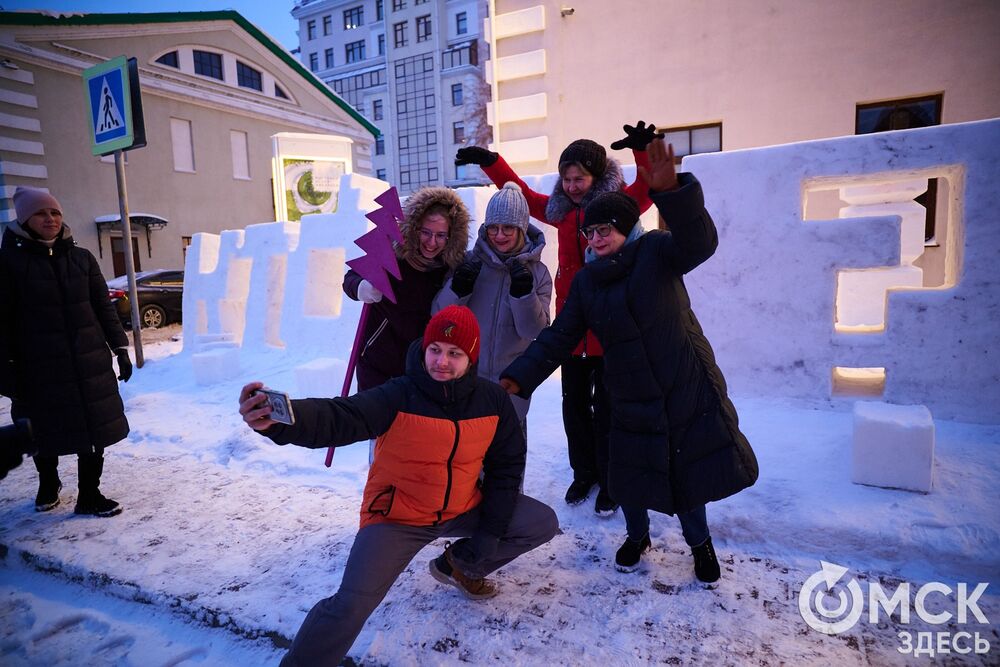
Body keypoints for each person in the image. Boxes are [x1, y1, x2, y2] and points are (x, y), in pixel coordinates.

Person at [239, 305, 559, 665]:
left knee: (541, 522)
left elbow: (506, 468)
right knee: (350, 605)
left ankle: (460, 566)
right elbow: (341, 416)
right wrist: (280, 420)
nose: (441, 361)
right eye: (434, 349)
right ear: (423, 349)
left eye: (454, 353)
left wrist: (487, 537)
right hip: (398, 516)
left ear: (471, 357)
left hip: (463, 507)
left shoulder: (492, 401)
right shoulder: (398, 394)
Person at [499, 139, 759, 582]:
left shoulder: (657, 252)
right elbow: (560, 336)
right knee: (630, 472)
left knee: (685, 470)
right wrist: (518, 378)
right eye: (591, 233)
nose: (597, 239)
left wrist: (673, 192)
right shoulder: (587, 284)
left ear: (626, 228)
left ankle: (700, 543)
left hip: (681, 382)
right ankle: (637, 535)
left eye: (606, 231)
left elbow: (700, 242)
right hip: (627, 389)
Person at [456, 121, 660, 517]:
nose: (572, 186)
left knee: (610, 410)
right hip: (571, 330)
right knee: (575, 408)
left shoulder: (614, 210)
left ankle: (611, 479)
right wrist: (492, 163)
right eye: (566, 178)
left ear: (597, 177)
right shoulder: (564, 214)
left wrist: (643, 152)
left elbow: (647, 189)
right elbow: (525, 200)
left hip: (610, 330)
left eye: (579, 178)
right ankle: (583, 473)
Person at [0, 186, 132, 517]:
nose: (51, 219)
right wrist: (6, 372)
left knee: (94, 428)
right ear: (25, 219)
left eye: (55, 212)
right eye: (41, 213)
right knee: (41, 431)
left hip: (89, 364)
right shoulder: (7, 264)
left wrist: (120, 348)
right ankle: (48, 483)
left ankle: (90, 493)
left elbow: (104, 307)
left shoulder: (82, 259)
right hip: (38, 368)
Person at [342, 186, 469, 461]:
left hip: (423, 370)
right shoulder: (391, 256)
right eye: (425, 232)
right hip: (379, 363)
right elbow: (350, 279)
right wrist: (361, 287)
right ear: (413, 228)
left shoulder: (449, 270)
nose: (432, 242)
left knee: (416, 446)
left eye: (440, 236)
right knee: (381, 444)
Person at [432, 182, 553, 434]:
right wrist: (459, 289)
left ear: (521, 229)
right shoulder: (468, 262)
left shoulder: (538, 273)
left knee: (507, 466)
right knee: (465, 468)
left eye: (508, 227)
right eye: (493, 228)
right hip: (465, 386)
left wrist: (523, 295)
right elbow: (439, 318)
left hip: (509, 390)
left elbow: (535, 332)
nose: (499, 235)